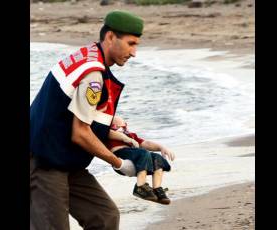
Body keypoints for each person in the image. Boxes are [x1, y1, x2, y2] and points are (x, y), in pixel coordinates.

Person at [30, 10, 144, 230]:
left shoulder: (89, 55)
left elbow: (72, 117)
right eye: (130, 44)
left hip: (63, 158)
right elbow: (80, 132)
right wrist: (118, 163)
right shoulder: (93, 74)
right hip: (42, 160)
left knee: (105, 217)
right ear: (110, 37)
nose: (134, 52)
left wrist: (116, 135)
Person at [107, 116, 175, 205]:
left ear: (126, 126)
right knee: (143, 153)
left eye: (122, 127)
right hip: (120, 155)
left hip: (135, 157)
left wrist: (161, 147)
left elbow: (145, 143)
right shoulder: (108, 133)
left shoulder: (131, 135)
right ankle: (140, 187)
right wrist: (126, 138)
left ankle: (157, 189)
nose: (119, 129)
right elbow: (108, 133)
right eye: (115, 127)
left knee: (156, 158)